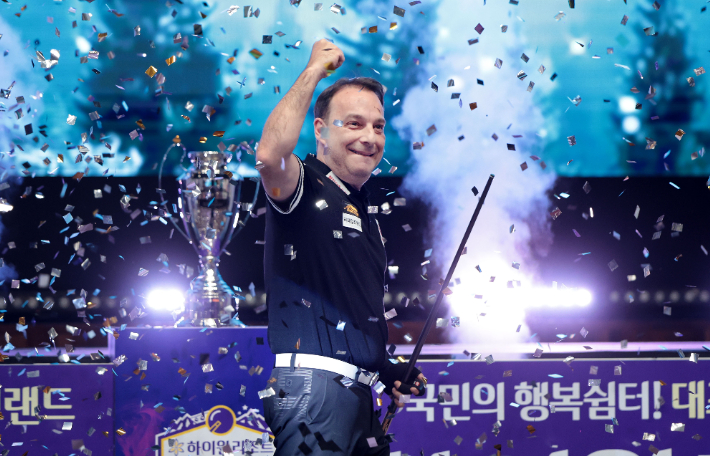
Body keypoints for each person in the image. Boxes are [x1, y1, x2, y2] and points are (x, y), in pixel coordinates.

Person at [256, 39, 427, 455]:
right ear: (320, 130)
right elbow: (269, 155)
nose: (370, 137)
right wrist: (314, 70)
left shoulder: (361, 209)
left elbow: (344, 313)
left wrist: (385, 370)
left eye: (378, 126)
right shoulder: (303, 183)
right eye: (354, 124)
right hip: (313, 394)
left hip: (356, 397)